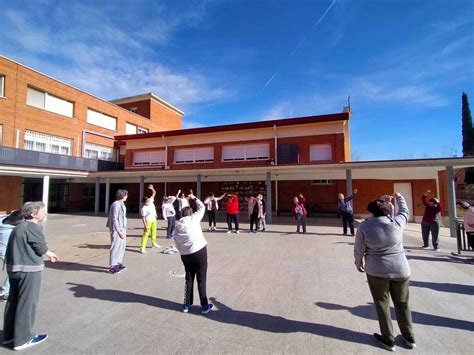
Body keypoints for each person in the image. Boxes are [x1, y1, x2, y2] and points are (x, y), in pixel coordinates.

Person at [354, 193, 416, 351]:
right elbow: (405, 211)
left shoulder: (365, 226)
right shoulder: (396, 223)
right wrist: (399, 197)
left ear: (371, 211)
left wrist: (358, 261)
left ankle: (388, 339)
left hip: (377, 270)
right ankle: (409, 337)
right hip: (400, 269)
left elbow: (359, 248)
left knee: (382, 304)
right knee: (402, 304)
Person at [3, 201, 59, 351]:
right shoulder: (32, 227)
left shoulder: (19, 226)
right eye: (43, 211)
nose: (45, 213)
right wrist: (50, 254)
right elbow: (40, 247)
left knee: (14, 302)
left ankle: (9, 336)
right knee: (27, 304)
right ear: (33, 214)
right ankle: (23, 338)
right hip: (28, 269)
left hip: (14, 268)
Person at [173, 192, 213, 315]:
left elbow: (177, 244)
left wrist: (183, 252)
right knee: (201, 278)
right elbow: (202, 207)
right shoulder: (194, 219)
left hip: (186, 255)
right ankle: (204, 305)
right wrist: (194, 198)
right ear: (190, 214)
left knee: (188, 278)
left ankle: (186, 304)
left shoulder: (177, 226)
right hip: (199, 251)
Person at [0, 211, 23, 301]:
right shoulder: (12, 229)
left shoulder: (2, 221)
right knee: (14, 270)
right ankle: (5, 292)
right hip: (6, 252)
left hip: (2, 250)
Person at [106, 189, 128, 274]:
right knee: (115, 246)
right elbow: (114, 219)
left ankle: (118, 263)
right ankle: (112, 266)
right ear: (122, 196)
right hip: (116, 229)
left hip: (123, 227)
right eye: (126, 195)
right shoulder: (116, 204)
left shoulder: (122, 204)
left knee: (122, 246)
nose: (127, 196)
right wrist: (119, 231)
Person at [139, 184, 160, 254]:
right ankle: (142, 248)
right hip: (148, 221)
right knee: (146, 234)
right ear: (144, 202)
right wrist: (145, 225)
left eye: (148, 199)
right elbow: (143, 217)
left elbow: (154, 193)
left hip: (154, 219)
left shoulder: (150, 201)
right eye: (147, 200)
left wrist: (152, 188)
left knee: (154, 232)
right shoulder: (143, 208)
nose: (148, 200)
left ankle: (154, 243)